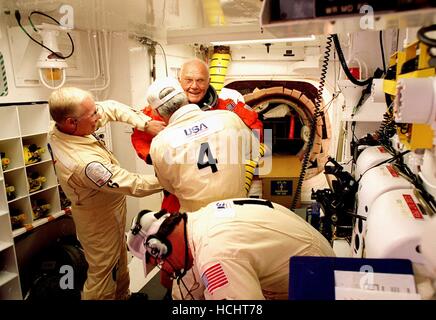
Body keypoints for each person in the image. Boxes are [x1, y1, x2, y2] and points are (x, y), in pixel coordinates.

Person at [47, 87, 165, 300]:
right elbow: (133, 184)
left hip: (108, 209)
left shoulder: (63, 127)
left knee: (119, 260)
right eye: (92, 114)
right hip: (97, 221)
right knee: (104, 273)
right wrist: (173, 179)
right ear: (71, 122)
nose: (98, 116)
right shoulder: (84, 164)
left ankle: (123, 297)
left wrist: (144, 124)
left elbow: (110, 107)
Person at [127, 198, 336, 300]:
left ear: (159, 248)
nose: (167, 272)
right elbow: (191, 281)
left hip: (314, 280)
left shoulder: (215, 256)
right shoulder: (199, 220)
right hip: (309, 254)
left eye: (160, 264)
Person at [130, 58, 263, 212]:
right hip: (182, 193)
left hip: (225, 189)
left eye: (200, 80)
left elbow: (256, 128)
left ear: (209, 81)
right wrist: (149, 131)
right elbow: (139, 136)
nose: (194, 86)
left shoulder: (227, 109)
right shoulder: (160, 113)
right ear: (179, 81)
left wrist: (234, 152)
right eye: (188, 80)